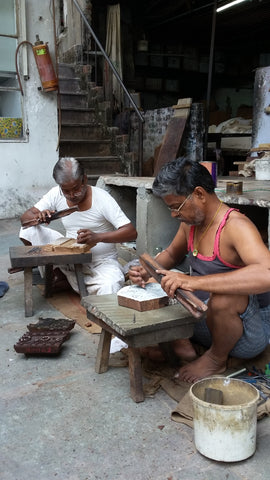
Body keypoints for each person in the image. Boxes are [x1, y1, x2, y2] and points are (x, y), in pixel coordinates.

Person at [129, 157, 270, 383]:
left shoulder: (235, 226)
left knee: (224, 298)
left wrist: (192, 282)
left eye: (176, 207)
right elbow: (171, 255)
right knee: (159, 283)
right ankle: (185, 346)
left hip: (247, 334)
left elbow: (267, 273)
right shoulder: (190, 224)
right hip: (204, 317)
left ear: (200, 194)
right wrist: (149, 271)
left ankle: (215, 358)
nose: (174, 214)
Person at [20, 157, 137, 295]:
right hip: (67, 256)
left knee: (109, 285)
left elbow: (131, 232)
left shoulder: (102, 198)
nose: (72, 195)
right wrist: (38, 217)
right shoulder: (56, 193)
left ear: (85, 179)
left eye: (76, 189)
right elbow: (25, 218)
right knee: (27, 230)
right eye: (66, 191)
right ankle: (60, 273)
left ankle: (65, 279)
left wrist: (98, 237)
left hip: (101, 262)